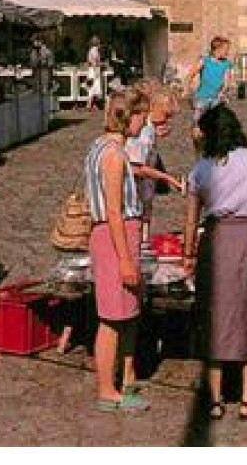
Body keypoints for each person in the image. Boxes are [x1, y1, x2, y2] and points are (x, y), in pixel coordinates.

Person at [183, 104, 247, 421]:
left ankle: (214, 399)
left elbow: (190, 220)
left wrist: (187, 253)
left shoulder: (200, 169)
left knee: (214, 313)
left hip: (217, 240)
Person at [84, 88, 151, 413]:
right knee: (112, 318)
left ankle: (123, 378)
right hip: (115, 237)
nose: (144, 121)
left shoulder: (101, 146)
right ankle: (106, 390)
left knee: (125, 313)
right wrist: (125, 259)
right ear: (129, 117)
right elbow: (113, 210)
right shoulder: (112, 155)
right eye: (141, 115)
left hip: (114, 236)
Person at [127, 85, 184, 243]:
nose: (167, 120)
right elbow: (136, 167)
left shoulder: (149, 127)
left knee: (145, 215)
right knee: (138, 219)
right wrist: (166, 178)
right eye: (165, 115)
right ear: (153, 107)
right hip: (137, 187)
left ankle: (142, 242)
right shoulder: (143, 132)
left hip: (145, 187)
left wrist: (157, 131)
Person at [187, 37, 235, 120]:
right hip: (201, 98)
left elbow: (226, 81)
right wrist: (188, 88)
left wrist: (222, 93)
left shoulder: (226, 64)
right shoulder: (204, 61)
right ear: (217, 49)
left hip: (216, 99)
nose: (228, 52)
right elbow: (191, 74)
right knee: (198, 124)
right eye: (226, 49)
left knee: (215, 125)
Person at [87, 36, 107, 108]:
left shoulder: (91, 50)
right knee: (95, 87)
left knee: (92, 88)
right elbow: (94, 62)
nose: (101, 45)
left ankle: (91, 104)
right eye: (100, 43)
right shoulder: (94, 50)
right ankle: (93, 104)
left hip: (92, 70)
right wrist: (102, 65)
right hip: (94, 70)